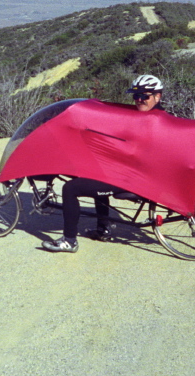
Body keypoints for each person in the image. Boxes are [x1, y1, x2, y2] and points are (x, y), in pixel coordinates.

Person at [43, 74, 166, 253]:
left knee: (70, 188)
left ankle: (69, 241)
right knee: (95, 173)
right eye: (135, 96)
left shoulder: (153, 122)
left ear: (158, 96)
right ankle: (104, 229)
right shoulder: (155, 117)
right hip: (126, 173)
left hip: (130, 180)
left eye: (144, 96)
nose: (139, 100)